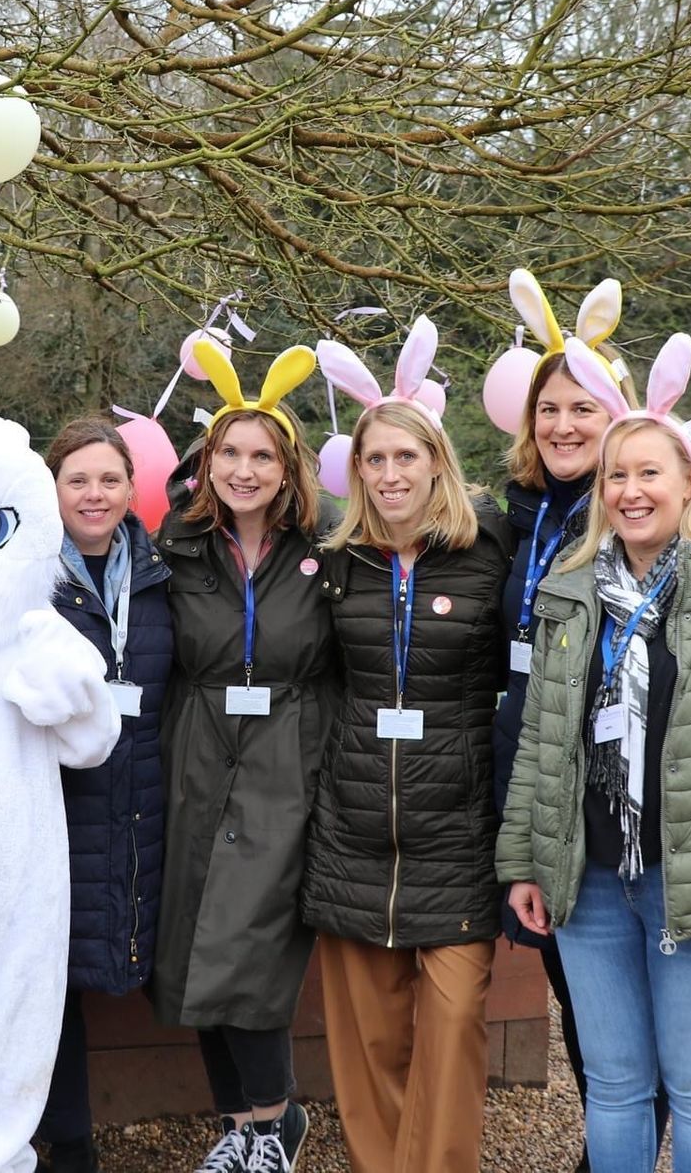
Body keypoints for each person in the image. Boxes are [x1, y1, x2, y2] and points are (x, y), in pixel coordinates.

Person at [499, 337, 691, 1173]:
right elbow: (541, 739)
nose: (630, 491)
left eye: (648, 474)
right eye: (615, 476)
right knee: (612, 1087)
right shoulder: (570, 589)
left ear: (688, 481)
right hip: (591, 879)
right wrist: (526, 860)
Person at [301, 397, 512, 1173]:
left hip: (455, 828)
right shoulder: (336, 559)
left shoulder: (489, 548)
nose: (390, 474)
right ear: (356, 470)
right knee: (370, 1045)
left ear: (436, 462)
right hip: (355, 827)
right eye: (375, 459)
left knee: (453, 1026)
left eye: (405, 457)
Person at [152, 343, 334, 1173]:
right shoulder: (180, 548)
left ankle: (273, 1124)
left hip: (288, 755)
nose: (245, 469)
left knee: (252, 940)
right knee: (193, 938)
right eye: (231, 452)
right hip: (197, 754)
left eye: (263, 455)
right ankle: (246, 1126)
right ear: (208, 458)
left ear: (289, 465)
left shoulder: (327, 550)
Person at [38, 418, 174, 1173]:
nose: (94, 495)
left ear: (132, 488)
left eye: (109, 480)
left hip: (145, 793)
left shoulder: (162, 575)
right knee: (50, 977)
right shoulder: (27, 578)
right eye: (77, 480)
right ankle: (69, 1142)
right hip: (56, 801)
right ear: (52, 488)